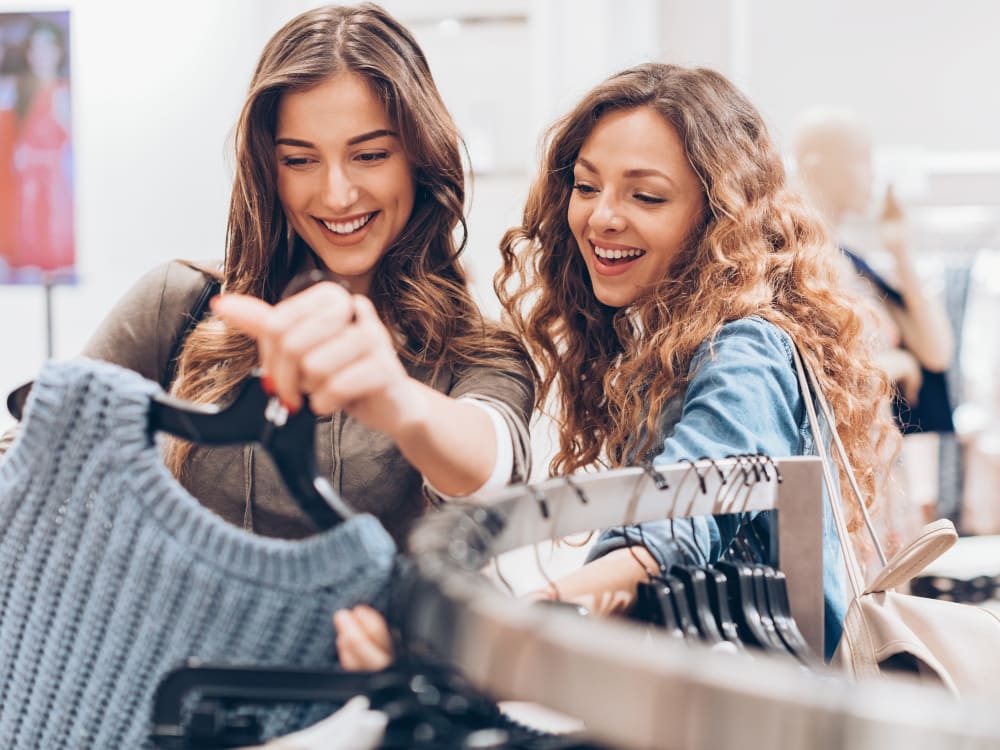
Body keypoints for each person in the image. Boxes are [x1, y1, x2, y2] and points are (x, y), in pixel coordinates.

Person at [0, 3, 533, 667]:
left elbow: (488, 465)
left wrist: (397, 400)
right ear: (266, 168)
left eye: (369, 155)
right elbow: (36, 474)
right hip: (179, 705)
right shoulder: (182, 307)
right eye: (300, 159)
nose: (337, 194)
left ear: (419, 159)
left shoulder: (481, 356)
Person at [327, 62, 901, 668]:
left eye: (646, 195)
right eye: (586, 186)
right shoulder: (663, 346)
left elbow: (680, 515)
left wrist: (489, 632)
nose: (602, 216)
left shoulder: (745, 350)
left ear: (719, 216)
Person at [792, 108, 954, 536]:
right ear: (816, 164)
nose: (871, 174)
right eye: (860, 158)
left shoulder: (850, 261)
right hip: (843, 478)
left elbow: (937, 353)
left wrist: (900, 249)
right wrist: (898, 364)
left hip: (876, 472)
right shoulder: (797, 258)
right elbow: (816, 377)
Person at [11, 18, 74, 274]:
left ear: (58, 51)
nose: (39, 56)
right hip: (27, 184)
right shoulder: (25, 91)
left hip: (50, 186)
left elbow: (67, 138)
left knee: (50, 243)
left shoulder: (61, 92)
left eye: (46, 48)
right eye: (34, 49)